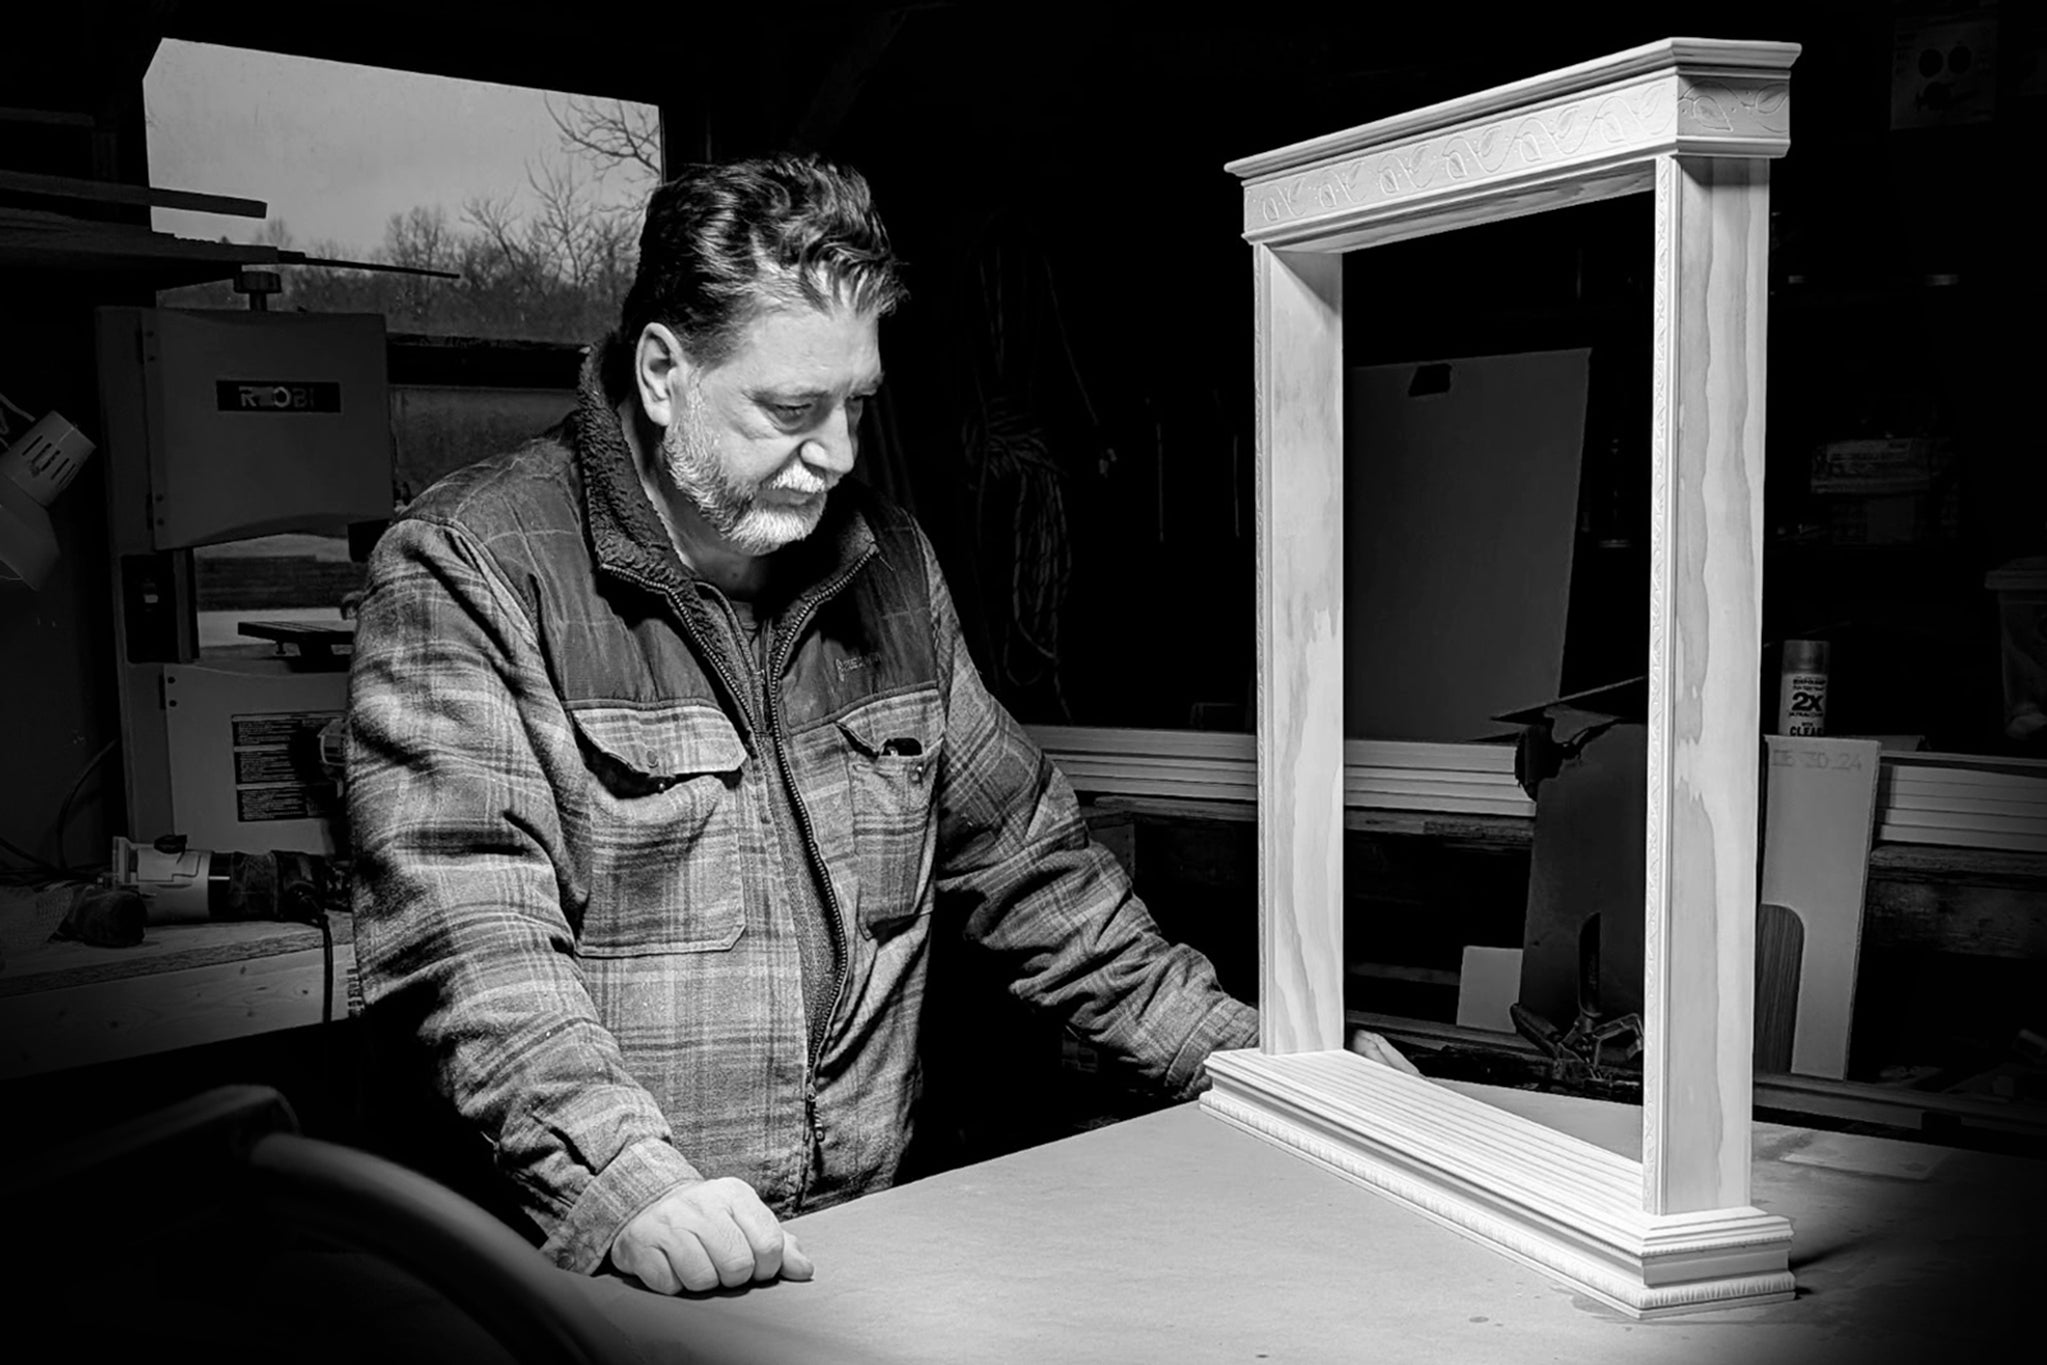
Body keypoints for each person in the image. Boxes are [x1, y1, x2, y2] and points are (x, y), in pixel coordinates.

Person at [347, 154, 1415, 1300]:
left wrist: (1265, 1067)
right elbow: (471, 938)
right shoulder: (474, 568)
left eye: (856, 404)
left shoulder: (888, 566)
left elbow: (1036, 872)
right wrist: (627, 1181)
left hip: (843, 1260)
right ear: (662, 373)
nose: (840, 456)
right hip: (590, 1271)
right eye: (790, 409)